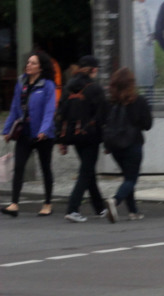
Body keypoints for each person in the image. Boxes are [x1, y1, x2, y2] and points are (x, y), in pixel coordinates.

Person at [56, 55, 112, 223]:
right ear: (94, 70)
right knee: (86, 172)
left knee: (88, 171)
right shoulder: (95, 88)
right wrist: (107, 139)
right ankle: (73, 208)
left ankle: (99, 208)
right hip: (91, 135)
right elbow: (104, 114)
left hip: (73, 135)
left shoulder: (69, 87)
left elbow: (60, 114)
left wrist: (60, 139)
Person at [3, 51, 59, 218]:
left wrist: (43, 129)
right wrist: (7, 130)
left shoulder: (48, 85)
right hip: (24, 133)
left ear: (41, 68)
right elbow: (14, 108)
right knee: (19, 167)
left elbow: (49, 110)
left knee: (45, 168)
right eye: (28, 62)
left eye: (33, 63)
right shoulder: (21, 83)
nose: (29, 65)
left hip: (43, 135)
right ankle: (14, 204)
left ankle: (47, 203)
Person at [102, 67, 153, 222]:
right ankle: (115, 201)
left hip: (115, 146)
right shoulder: (139, 101)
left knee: (127, 178)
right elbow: (147, 124)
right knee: (131, 179)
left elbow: (104, 123)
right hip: (133, 144)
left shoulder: (110, 102)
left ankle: (133, 211)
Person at [132, 0, 156, 90]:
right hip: (143, 51)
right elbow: (145, 32)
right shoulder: (141, 9)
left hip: (136, 49)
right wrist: (153, 37)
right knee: (148, 84)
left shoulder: (131, 7)